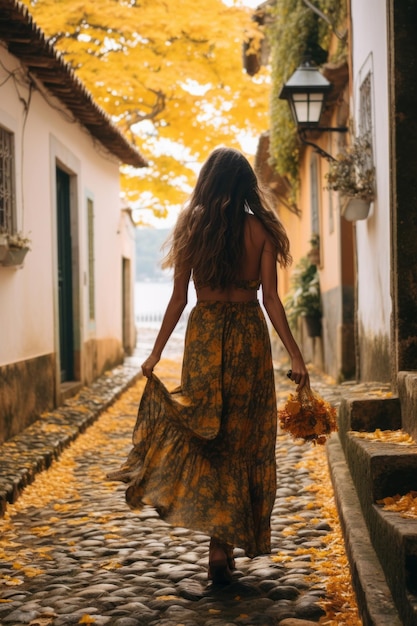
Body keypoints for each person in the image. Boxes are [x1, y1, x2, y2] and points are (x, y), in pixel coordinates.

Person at [108, 147, 310, 584]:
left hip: (204, 338)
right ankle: (224, 542)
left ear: (208, 182)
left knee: (209, 436)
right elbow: (271, 299)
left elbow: (179, 299)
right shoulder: (261, 231)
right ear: (245, 186)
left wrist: (156, 352)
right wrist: (295, 354)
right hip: (248, 341)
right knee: (244, 439)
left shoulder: (192, 229)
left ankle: (218, 547)